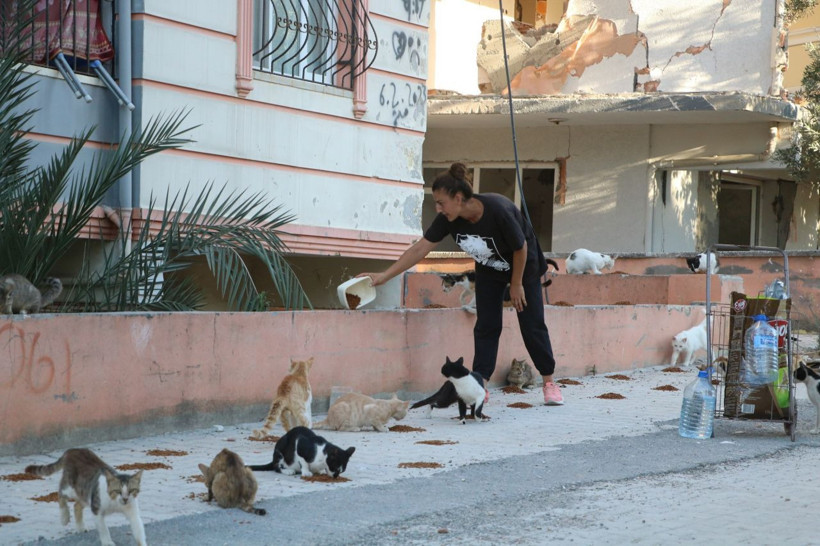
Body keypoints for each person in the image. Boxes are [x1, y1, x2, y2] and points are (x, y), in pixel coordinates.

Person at [359, 162, 563, 406]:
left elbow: (521, 247)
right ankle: (480, 386)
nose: (437, 208)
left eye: (440, 202)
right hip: (489, 270)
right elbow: (420, 249)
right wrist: (384, 276)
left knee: (532, 324)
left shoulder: (498, 209)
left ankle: (549, 382)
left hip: (524, 268)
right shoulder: (449, 219)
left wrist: (517, 283)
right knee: (486, 326)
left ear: (458, 198)